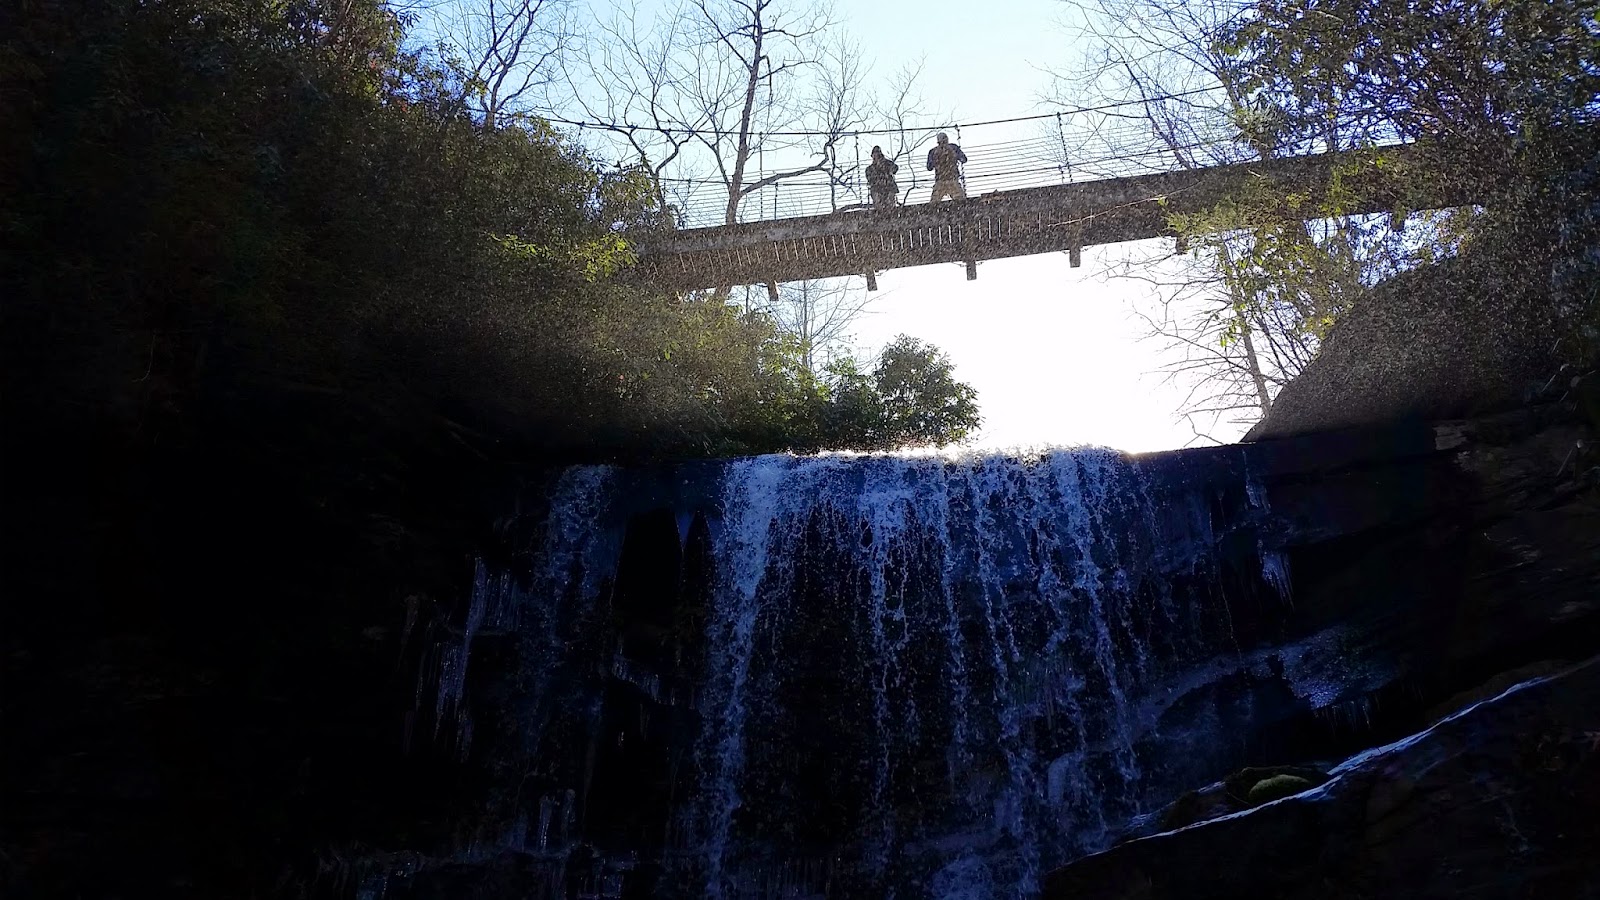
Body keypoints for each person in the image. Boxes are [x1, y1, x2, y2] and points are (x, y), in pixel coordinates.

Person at [926, 131, 967, 202]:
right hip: (951, 179)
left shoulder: (933, 151)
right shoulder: (953, 147)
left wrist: (937, 160)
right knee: (961, 201)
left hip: (942, 180)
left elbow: (929, 167)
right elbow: (963, 159)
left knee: (934, 204)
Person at [865, 145, 900, 210]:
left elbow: (895, 168)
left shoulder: (887, 164)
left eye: (878, 155)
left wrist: (888, 169)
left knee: (890, 205)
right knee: (879, 206)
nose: (876, 157)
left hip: (889, 188)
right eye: (875, 155)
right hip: (877, 190)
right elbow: (869, 179)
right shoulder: (869, 169)